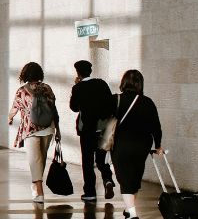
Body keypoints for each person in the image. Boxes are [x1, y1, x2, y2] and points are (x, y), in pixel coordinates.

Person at [111, 69, 163, 219]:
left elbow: (105, 120)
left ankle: (133, 215)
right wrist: (158, 145)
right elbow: (156, 127)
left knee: (124, 180)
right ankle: (128, 209)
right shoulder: (147, 102)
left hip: (121, 145)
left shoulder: (116, 100)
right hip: (142, 146)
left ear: (123, 82)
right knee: (134, 179)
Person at [8, 62, 61, 204]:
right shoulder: (47, 88)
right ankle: (36, 185)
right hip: (48, 128)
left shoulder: (22, 91)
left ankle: (39, 190)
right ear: (39, 74)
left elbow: (14, 108)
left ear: (25, 74)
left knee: (34, 160)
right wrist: (58, 130)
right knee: (41, 159)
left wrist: (10, 118)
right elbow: (54, 110)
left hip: (30, 129)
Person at [69, 60, 117, 204]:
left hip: (87, 130)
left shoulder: (78, 88)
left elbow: (74, 107)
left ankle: (90, 192)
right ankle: (108, 179)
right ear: (90, 71)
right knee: (101, 159)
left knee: (87, 161)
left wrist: (77, 86)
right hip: (103, 128)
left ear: (78, 73)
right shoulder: (101, 84)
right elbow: (110, 103)